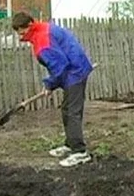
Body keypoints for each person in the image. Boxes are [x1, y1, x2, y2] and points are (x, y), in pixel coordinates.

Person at [12, 11, 94, 167]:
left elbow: (59, 66)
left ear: (29, 25)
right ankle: (70, 144)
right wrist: (52, 83)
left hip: (75, 72)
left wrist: (50, 84)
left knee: (72, 112)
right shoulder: (42, 30)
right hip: (74, 68)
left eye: (20, 31)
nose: (19, 35)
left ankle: (79, 152)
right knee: (67, 109)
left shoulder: (42, 41)